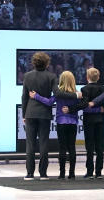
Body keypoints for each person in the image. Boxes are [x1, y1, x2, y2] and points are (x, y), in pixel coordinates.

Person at [31, 70, 81, 179]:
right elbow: (80, 105)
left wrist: (37, 96)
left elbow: (49, 102)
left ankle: (62, 173)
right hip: (72, 123)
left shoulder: (59, 94)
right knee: (72, 147)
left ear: (61, 81)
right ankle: (72, 173)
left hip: (61, 123)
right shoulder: (77, 94)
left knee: (62, 148)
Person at [21, 51, 58, 181]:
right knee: (44, 143)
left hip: (30, 113)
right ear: (47, 63)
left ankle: (29, 173)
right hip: (44, 113)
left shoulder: (27, 76)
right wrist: (47, 99)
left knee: (30, 144)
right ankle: (43, 173)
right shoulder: (52, 76)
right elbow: (57, 94)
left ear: (34, 62)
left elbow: (24, 97)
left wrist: (23, 114)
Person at [80, 67, 104, 179]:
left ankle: (90, 171)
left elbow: (85, 107)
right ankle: (99, 172)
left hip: (88, 121)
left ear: (87, 77)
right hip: (100, 121)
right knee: (100, 147)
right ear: (98, 77)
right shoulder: (103, 88)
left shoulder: (84, 89)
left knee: (90, 146)